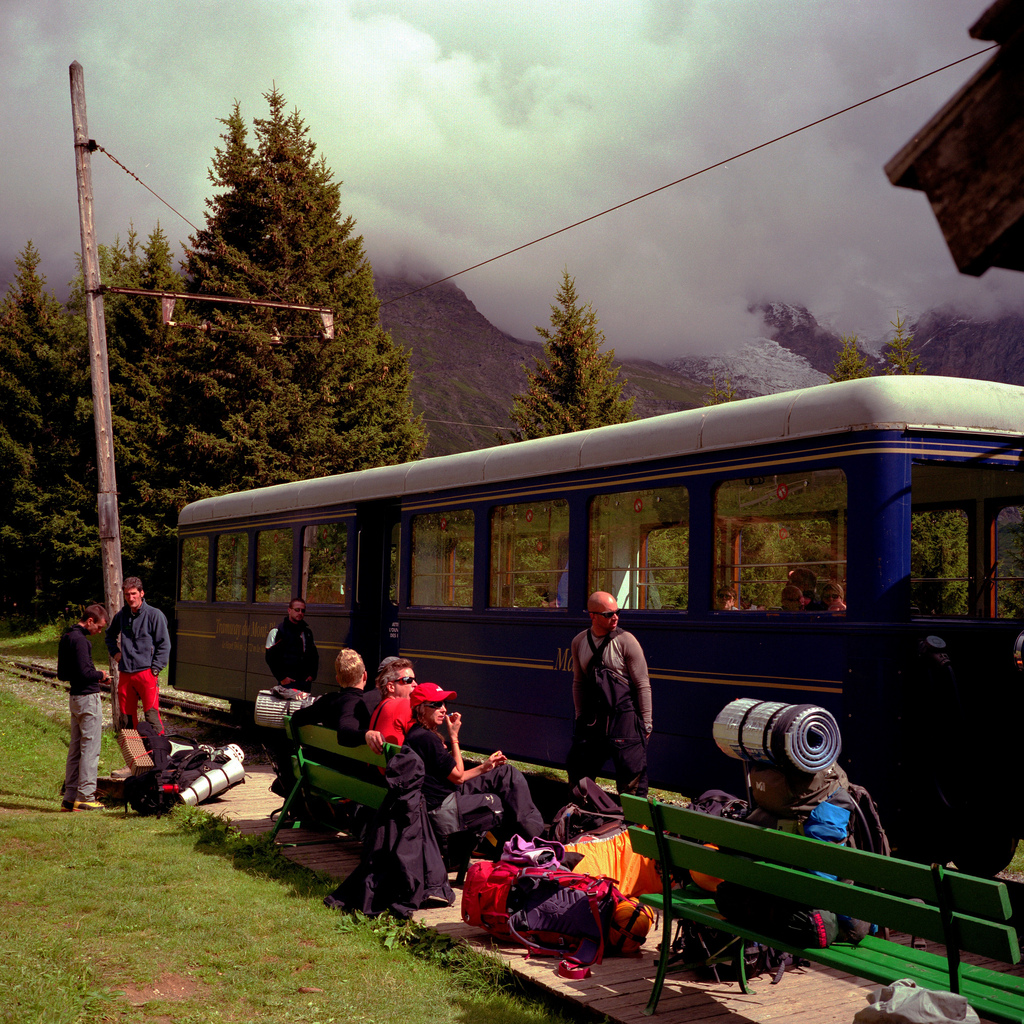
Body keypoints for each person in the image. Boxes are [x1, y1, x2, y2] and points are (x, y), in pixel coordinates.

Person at [403, 682, 545, 842]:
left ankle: (531, 835)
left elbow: (457, 774)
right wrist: (482, 765)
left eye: (444, 703)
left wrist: (454, 738)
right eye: (436, 704)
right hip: (442, 804)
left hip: (448, 791)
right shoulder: (426, 738)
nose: (443, 709)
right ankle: (532, 840)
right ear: (420, 708)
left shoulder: (419, 733)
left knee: (506, 774)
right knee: (495, 803)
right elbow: (459, 776)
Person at [567, 591, 653, 797]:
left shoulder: (627, 641)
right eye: (608, 614)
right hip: (592, 721)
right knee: (579, 773)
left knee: (632, 778)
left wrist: (647, 722)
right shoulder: (579, 641)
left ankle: (634, 826)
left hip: (624, 719)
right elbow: (578, 683)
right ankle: (585, 821)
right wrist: (580, 717)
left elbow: (642, 684)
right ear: (592, 616)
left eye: (617, 612)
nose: (615, 617)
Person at [58, 604, 110, 811]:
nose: (99, 631)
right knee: (90, 748)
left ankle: (69, 797)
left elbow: (63, 674)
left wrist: (90, 675)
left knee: (75, 749)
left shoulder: (67, 636)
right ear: (90, 621)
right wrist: (101, 675)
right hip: (88, 699)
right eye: (99, 627)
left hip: (75, 698)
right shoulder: (81, 641)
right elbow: (86, 673)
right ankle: (86, 796)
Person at [105, 576, 170, 734]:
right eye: (127, 594)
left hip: (146, 673)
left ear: (142, 593)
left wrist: (155, 668)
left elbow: (164, 644)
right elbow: (109, 636)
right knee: (127, 718)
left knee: (152, 715)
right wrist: (116, 654)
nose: (130, 598)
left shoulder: (155, 615)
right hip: (126, 673)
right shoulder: (122, 615)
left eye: (134, 593)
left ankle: (158, 752)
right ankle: (133, 754)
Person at [289, 648, 384, 751]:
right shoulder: (362, 703)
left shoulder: (327, 701)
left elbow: (296, 717)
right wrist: (366, 735)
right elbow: (344, 734)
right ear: (365, 676)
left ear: (338, 680)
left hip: (328, 763)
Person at [265, 598, 319, 688]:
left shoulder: (307, 632)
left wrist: (312, 676)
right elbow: (270, 658)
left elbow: (314, 656)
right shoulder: (278, 631)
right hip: (287, 683)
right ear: (289, 610)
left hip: (305, 683)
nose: (300, 613)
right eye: (297, 610)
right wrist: (282, 678)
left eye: (303, 610)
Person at [368, 657, 416, 746]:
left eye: (414, 680)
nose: (415, 684)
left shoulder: (379, 707)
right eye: (408, 680)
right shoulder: (402, 704)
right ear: (391, 687)